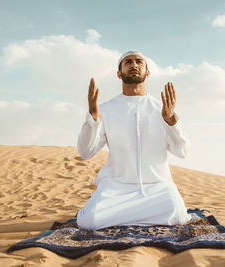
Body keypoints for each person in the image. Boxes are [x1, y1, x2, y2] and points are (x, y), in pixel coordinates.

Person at [76, 50, 191, 230]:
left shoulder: (162, 110)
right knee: (90, 221)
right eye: (128, 62)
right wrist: (93, 119)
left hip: (157, 188)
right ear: (119, 73)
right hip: (116, 188)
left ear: (147, 72)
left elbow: (182, 151)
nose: (134, 65)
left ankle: (122, 218)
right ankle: (138, 216)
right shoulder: (105, 109)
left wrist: (170, 121)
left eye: (139, 62)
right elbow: (85, 152)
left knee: (177, 214)